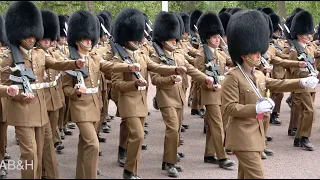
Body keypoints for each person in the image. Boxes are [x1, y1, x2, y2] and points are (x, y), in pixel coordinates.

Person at [221, 9, 318, 179]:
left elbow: (277, 84)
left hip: (256, 134)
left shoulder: (258, 74)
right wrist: (255, 108)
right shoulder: (232, 77)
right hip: (242, 136)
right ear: (244, 54)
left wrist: (301, 82)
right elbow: (229, 108)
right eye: (256, 52)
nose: (260, 55)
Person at [1, 1, 86, 178]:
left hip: (40, 110)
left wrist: (75, 63)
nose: (32, 38)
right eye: (28, 35)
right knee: (29, 154)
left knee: (39, 154)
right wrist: (9, 91)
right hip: (21, 111)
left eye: (34, 34)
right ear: (19, 34)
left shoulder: (39, 54)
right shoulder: (9, 58)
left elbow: (55, 63)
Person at [61, 10, 141, 179]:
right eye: (85, 39)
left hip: (95, 106)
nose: (89, 42)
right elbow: (65, 88)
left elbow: (110, 66)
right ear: (76, 40)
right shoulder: (70, 60)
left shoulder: (95, 58)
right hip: (80, 107)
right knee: (93, 144)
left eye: (90, 38)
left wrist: (128, 67)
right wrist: (75, 92)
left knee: (84, 145)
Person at [111, 8, 187, 179]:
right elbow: (116, 84)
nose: (138, 40)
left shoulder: (142, 56)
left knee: (138, 138)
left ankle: (132, 172)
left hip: (141, 103)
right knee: (137, 135)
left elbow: (156, 67)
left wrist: (175, 68)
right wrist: (134, 84)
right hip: (128, 103)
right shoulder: (118, 59)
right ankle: (129, 171)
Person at [150, 11, 214, 177]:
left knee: (176, 129)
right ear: (163, 39)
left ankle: (167, 160)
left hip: (179, 96)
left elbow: (191, 69)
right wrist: (171, 79)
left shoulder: (178, 53)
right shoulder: (156, 55)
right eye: (171, 39)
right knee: (172, 128)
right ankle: (170, 163)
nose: (174, 41)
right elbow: (155, 79)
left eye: (175, 38)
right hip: (165, 97)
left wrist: (205, 78)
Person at [195, 11, 235, 170]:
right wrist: (209, 84)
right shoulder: (201, 53)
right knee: (218, 126)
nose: (217, 40)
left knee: (216, 125)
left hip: (222, 94)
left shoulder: (220, 53)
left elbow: (231, 63)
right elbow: (198, 74)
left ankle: (209, 154)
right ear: (207, 38)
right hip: (210, 94)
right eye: (214, 37)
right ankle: (222, 156)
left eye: (218, 37)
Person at [289, 10, 320, 151]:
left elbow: (312, 64)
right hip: (302, 84)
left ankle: (298, 138)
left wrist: (314, 72)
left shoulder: (309, 49)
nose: (310, 36)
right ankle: (305, 138)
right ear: (300, 35)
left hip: (311, 84)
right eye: (307, 34)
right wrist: (307, 75)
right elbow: (293, 70)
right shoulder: (294, 51)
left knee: (304, 112)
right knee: (310, 110)